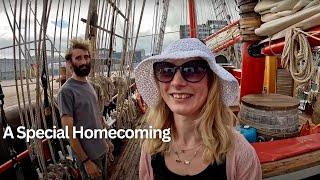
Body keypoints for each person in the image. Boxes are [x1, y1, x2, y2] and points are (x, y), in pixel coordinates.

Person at [135, 38, 262, 180]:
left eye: (192, 70)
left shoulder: (240, 154)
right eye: (166, 70)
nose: (177, 82)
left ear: (211, 82)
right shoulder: (150, 148)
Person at [57, 39, 110, 180]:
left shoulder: (90, 85)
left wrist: (106, 140)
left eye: (86, 57)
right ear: (70, 63)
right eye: (78, 58)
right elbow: (69, 132)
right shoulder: (66, 91)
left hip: (102, 150)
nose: (83, 62)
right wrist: (86, 162)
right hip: (89, 157)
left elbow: (97, 117)